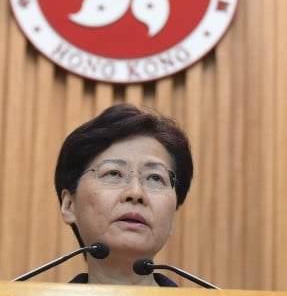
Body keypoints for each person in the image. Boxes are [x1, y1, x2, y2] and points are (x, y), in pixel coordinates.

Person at [54, 103, 194, 286]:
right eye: (113, 173)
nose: (136, 193)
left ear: (172, 215)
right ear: (69, 205)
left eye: (155, 178)